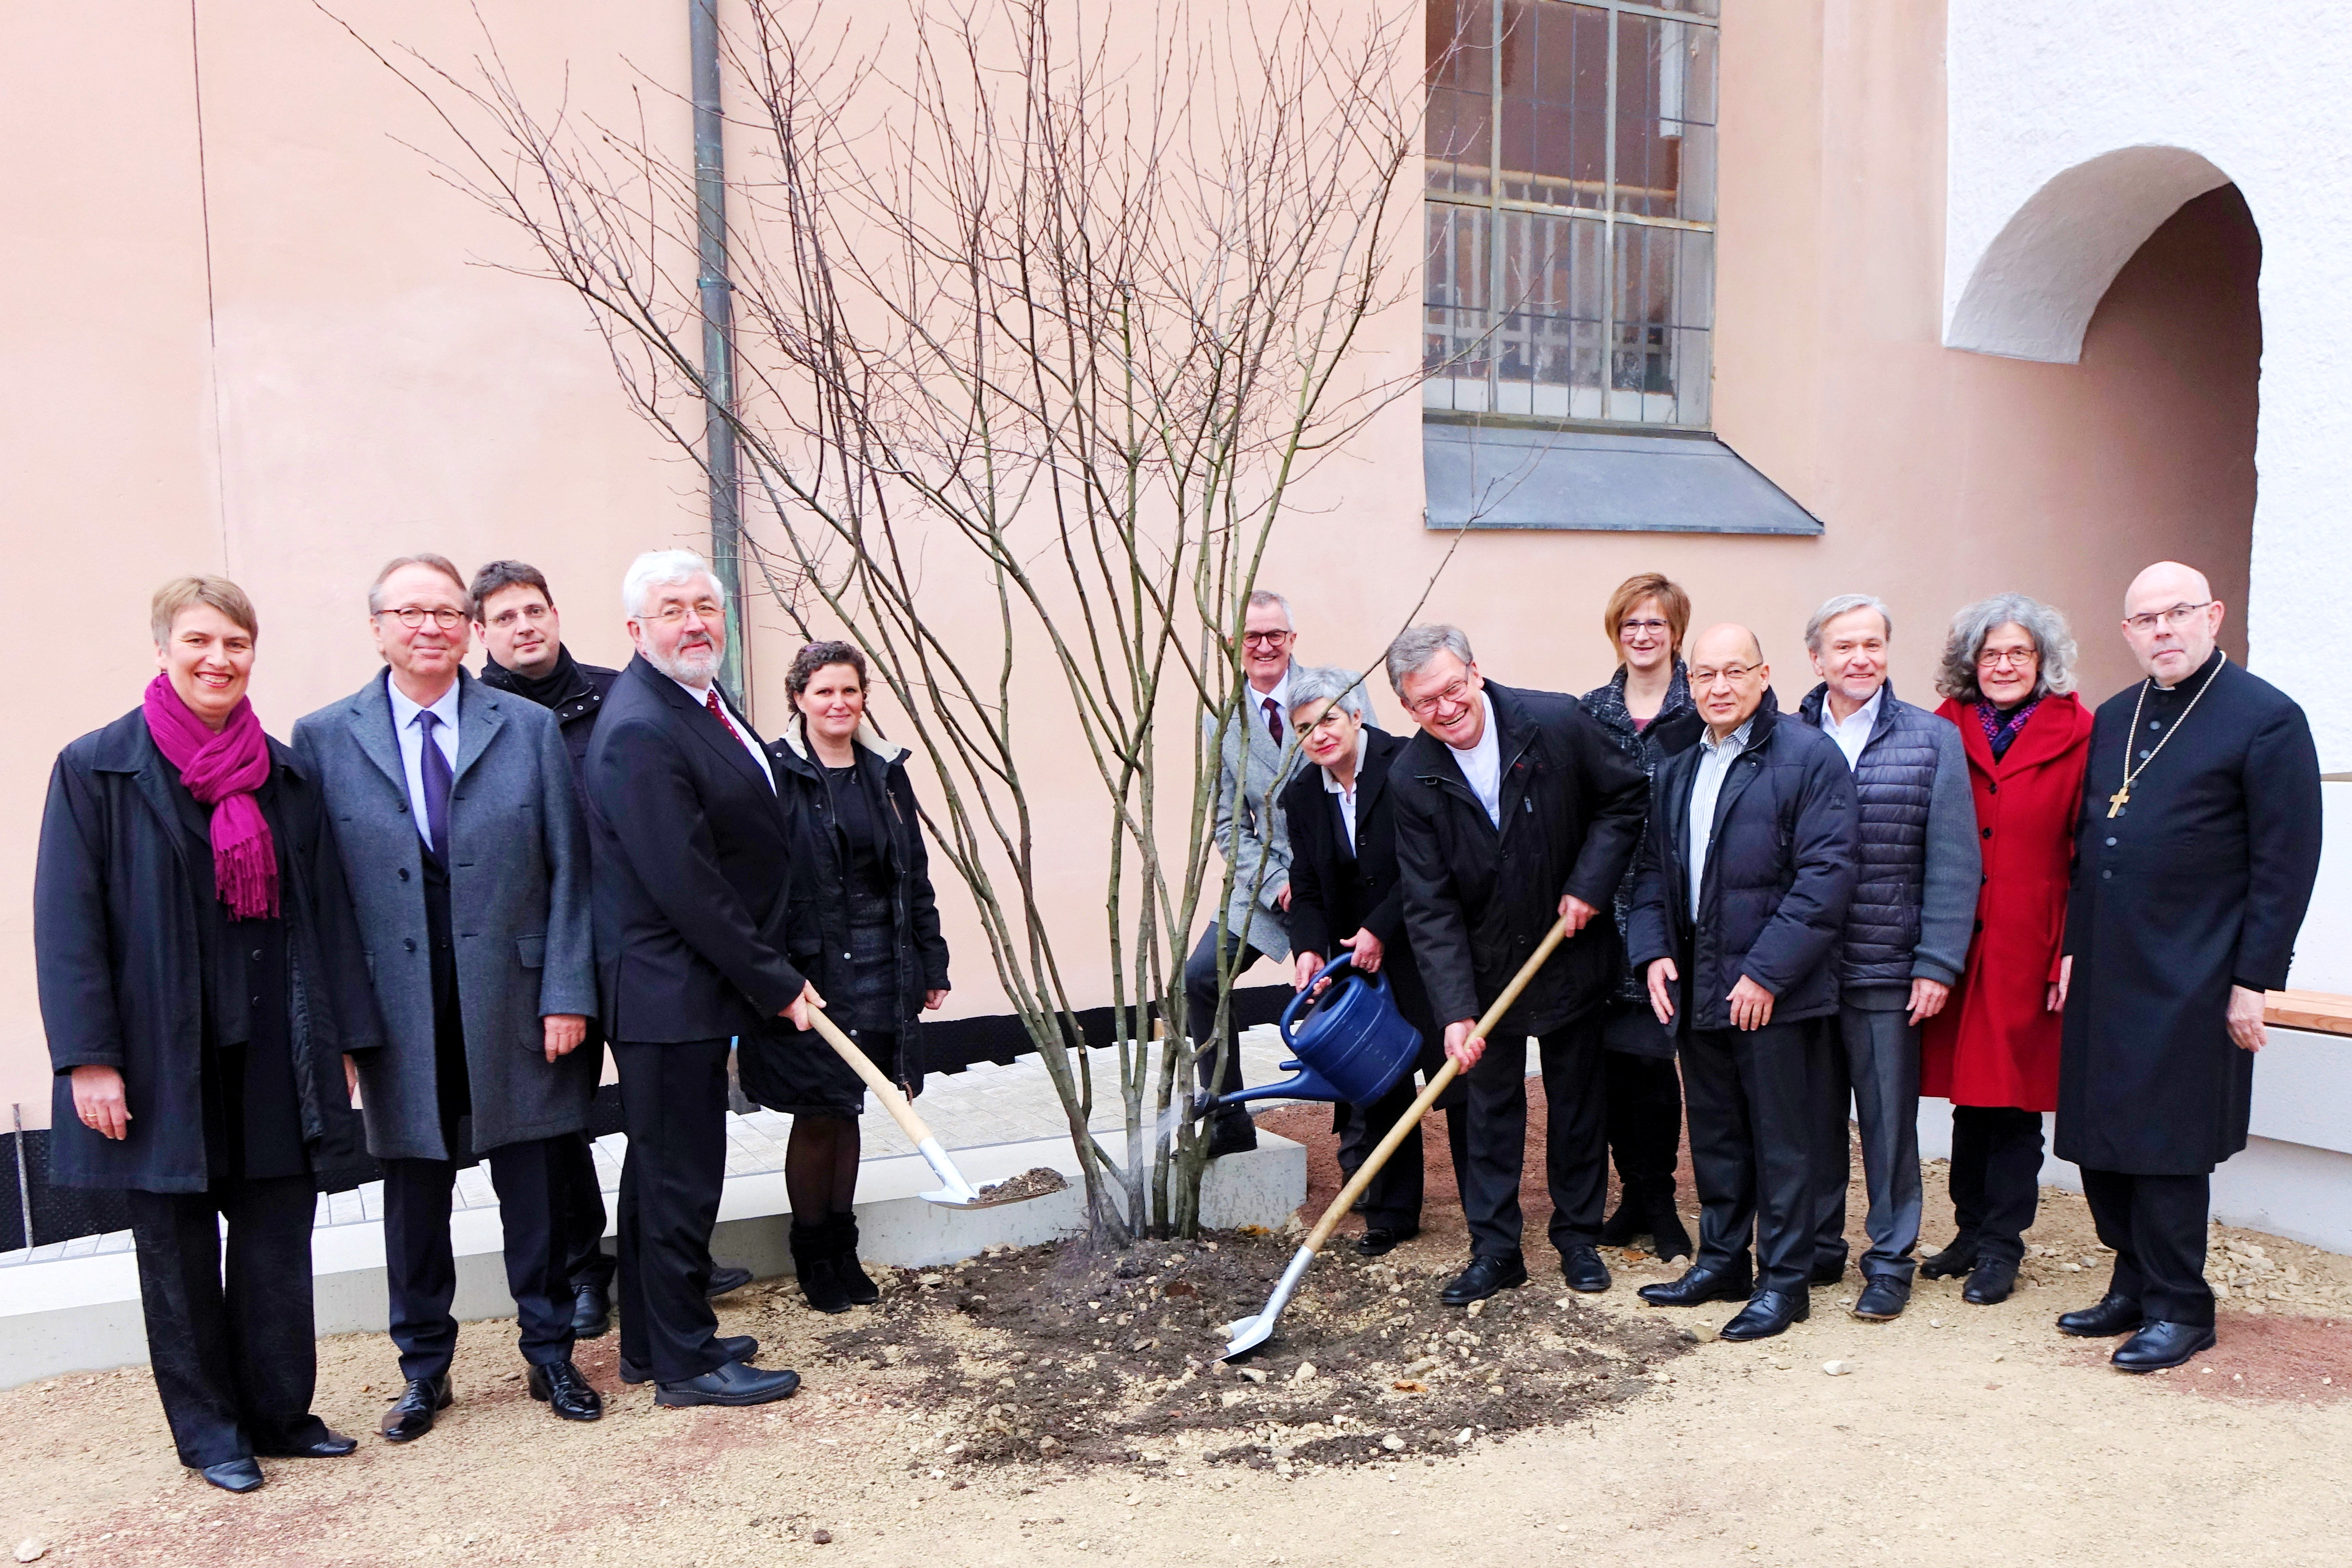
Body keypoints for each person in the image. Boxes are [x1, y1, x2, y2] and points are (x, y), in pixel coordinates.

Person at [35, 577, 378, 1492]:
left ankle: (279, 1412)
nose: (218, 659)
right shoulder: (95, 767)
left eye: (235, 643)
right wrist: (88, 1058)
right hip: (157, 1059)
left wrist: (344, 1038)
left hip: (277, 1051)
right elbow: (67, 924)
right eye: (199, 641)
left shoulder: (286, 773)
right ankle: (210, 1433)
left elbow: (331, 914)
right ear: (162, 649)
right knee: (178, 1253)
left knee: (275, 1240)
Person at [295, 554, 604, 1435]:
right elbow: (319, 899)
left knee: (535, 1184)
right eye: (409, 612)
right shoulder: (323, 738)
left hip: (515, 995)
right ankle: (424, 1369)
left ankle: (551, 1353)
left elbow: (569, 871)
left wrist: (567, 991)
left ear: (469, 627)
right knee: (415, 1195)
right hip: (396, 1006)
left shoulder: (524, 726)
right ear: (378, 627)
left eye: (445, 612)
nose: (428, 627)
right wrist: (343, 1029)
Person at [470, 560, 755, 1339]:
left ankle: (660, 1263)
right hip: (543, 953)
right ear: (480, 633)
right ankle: (580, 1271)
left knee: (657, 1115)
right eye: (505, 618)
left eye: (535, 610)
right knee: (558, 1121)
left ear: (557, 614)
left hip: (634, 937)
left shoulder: (615, 695)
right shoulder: (477, 717)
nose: (524, 627)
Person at [2052, 561, 2320, 1373]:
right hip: (2106, 965)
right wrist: (2069, 946)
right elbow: (2088, 839)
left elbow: (2286, 862)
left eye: (2177, 614)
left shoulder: (2267, 718)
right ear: (2128, 632)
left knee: (2164, 1145)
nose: (2162, 630)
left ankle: (2181, 1306)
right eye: (2145, 619)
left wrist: (2254, 980)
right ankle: (2132, 1282)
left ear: (2213, 616)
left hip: (2193, 971)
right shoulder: (2114, 716)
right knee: (2100, 1140)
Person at [584, 549, 812, 1406]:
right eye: (672, 609)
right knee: (681, 1174)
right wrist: (775, 979)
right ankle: (686, 1361)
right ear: (636, 630)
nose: (694, 622)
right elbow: (684, 879)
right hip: (664, 987)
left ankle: (652, 1336)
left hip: (686, 985)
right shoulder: (642, 724)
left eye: (705, 606)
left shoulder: (699, 703)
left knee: (659, 1171)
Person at [1388, 625, 1649, 1305]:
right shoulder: (1411, 778)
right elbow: (1428, 903)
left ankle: (1577, 1236)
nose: (1447, 709)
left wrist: (1591, 882)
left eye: (1453, 688)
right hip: (1482, 968)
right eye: (1426, 702)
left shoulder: (1556, 721)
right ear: (1407, 709)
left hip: (1567, 948)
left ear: (1475, 672)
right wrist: (1454, 1009)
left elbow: (1624, 799)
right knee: (1488, 1109)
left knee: (1575, 1101)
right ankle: (1496, 1248)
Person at [1629, 624, 1858, 1342]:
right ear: (1686, 683)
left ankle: (1783, 1282)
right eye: (1703, 675)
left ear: (1763, 676)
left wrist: (1766, 972)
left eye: (1734, 672)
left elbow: (1826, 878)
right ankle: (1722, 1260)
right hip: (1698, 983)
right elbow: (1648, 874)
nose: (1718, 687)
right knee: (1720, 1134)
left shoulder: (1807, 756)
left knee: (1784, 1141)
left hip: (1775, 992)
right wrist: (1653, 951)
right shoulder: (1675, 762)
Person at [746, 640, 951, 1312]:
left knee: (861, 1099)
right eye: (824, 692)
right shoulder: (776, 773)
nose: (838, 703)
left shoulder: (885, 771)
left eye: (850, 691)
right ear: (799, 698)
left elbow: (913, 871)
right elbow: (758, 886)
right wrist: (773, 975)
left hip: (882, 959)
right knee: (819, 1109)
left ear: (864, 698)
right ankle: (813, 1253)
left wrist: (931, 956)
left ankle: (844, 1246)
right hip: (812, 967)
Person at [1793, 595, 1978, 1322]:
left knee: (1887, 1125)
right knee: (1810, 1122)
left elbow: (1955, 862)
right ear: (1817, 658)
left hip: (1887, 965)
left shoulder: (1931, 740)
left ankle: (1890, 1256)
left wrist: (1936, 962)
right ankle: (1815, 1246)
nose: (1860, 658)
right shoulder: (1783, 734)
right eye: (1844, 647)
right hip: (1803, 970)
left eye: (1872, 644)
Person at [1917, 595, 2093, 1306]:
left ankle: (2001, 1245)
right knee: (1970, 1094)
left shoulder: (2081, 732)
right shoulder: (1939, 728)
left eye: (2018, 652)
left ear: (2042, 660)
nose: (2003, 665)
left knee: (2014, 1098)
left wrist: (2073, 946)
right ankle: (1966, 1230)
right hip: (1957, 934)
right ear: (1969, 663)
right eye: (1990, 654)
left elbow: (2090, 852)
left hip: (2031, 937)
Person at [1282, 666, 1469, 1255]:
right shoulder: (1302, 794)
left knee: (1457, 1080)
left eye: (1329, 719)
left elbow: (1429, 863)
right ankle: (1391, 1215)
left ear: (1357, 715)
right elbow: (1306, 885)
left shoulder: (1410, 763)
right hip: (1357, 964)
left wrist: (1379, 928)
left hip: (1428, 948)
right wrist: (1309, 947)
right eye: (1304, 727)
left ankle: (1487, 1217)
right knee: (1378, 1087)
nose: (1318, 735)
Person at [1579, 573, 1703, 1262]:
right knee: (1614, 1066)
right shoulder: (1591, 710)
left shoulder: (1703, 706)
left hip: (1673, 914)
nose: (1642, 635)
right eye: (1630, 624)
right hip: (1603, 915)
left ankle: (1661, 1198)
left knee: (1658, 1067)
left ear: (1675, 631)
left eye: (1655, 623)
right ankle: (1633, 1193)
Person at [1187, 590, 1308, 1158]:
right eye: (1252, 637)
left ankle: (1366, 1149)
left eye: (1275, 635)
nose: (1265, 647)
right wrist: (1273, 882)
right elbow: (1228, 826)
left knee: (1345, 996)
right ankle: (1226, 1119)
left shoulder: (1332, 693)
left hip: (1338, 881)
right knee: (1199, 979)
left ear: (1291, 639)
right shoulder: (1223, 724)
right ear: (1234, 646)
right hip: (1266, 882)